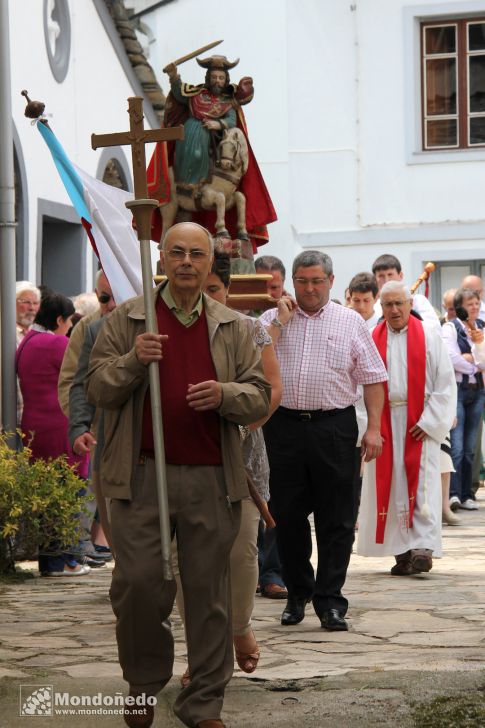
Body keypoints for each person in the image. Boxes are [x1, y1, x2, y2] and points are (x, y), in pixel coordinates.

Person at [85, 222, 270, 728]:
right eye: (177, 252)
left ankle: (203, 702)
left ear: (211, 263)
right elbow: (97, 388)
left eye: (197, 253)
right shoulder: (128, 319)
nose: (187, 261)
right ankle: (144, 686)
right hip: (141, 476)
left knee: (209, 592)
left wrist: (225, 395)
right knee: (140, 584)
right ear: (161, 259)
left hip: (212, 475)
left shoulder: (232, 325)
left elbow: (259, 393)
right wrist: (131, 361)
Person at [260, 251, 388, 632]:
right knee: (287, 517)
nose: (309, 288)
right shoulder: (273, 318)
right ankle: (298, 593)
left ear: (331, 282)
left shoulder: (350, 322)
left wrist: (374, 428)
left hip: (334, 427)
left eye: (316, 281)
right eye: (302, 281)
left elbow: (373, 377)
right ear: (292, 282)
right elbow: (251, 360)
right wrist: (280, 323)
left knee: (337, 519)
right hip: (282, 428)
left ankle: (330, 601)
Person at [175, 250, 282, 683]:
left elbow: (271, 390)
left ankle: (239, 628)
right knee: (184, 559)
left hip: (240, 457)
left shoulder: (251, 330)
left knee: (240, 551)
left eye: (214, 287)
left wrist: (240, 422)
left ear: (226, 289)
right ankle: (200, 652)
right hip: (184, 458)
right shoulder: (169, 330)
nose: (205, 294)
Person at [357, 281, 457, 575]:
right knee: (392, 486)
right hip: (384, 420)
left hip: (419, 422)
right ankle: (402, 552)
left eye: (399, 303)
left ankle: (422, 548)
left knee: (422, 485)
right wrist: (368, 426)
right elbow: (360, 384)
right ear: (381, 307)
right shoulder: (371, 338)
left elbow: (445, 382)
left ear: (410, 304)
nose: (395, 309)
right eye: (388, 304)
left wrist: (430, 421)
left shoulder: (428, 335)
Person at [16, 293, 90, 577]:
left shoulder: (27, 343)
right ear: (60, 320)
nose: (71, 326)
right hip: (61, 424)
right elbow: (81, 375)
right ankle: (68, 561)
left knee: (47, 497)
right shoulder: (58, 343)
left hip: (34, 427)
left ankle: (51, 562)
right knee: (72, 490)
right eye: (70, 320)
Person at [58, 270, 116, 563]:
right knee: (95, 499)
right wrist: (80, 424)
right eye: (103, 298)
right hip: (98, 433)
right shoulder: (88, 328)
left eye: (116, 295)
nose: (111, 304)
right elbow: (70, 382)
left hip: (137, 434)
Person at [253, 254, 288, 599]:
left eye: (274, 287)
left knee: (275, 500)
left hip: (277, 418)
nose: (267, 294)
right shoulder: (241, 312)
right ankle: (249, 569)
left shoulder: (289, 313)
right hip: (242, 416)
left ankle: (274, 570)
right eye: (260, 286)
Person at [442, 287, 485, 512]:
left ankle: (467, 493)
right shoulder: (450, 328)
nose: (475, 307)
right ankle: (453, 494)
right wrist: (474, 366)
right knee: (456, 446)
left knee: (470, 448)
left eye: (477, 303)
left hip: (477, 391)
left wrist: (474, 361)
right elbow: (450, 358)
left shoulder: (482, 328)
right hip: (457, 390)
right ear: (460, 308)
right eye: (470, 304)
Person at [372, 254, 440, 330]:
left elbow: (434, 328)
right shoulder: (374, 307)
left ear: (400, 275)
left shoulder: (418, 301)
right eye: (381, 276)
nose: (386, 280)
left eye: (390, 274)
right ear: (375, 279)